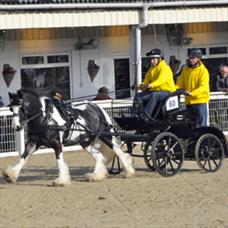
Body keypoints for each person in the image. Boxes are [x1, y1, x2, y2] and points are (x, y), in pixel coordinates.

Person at [133, 48, 176, 121]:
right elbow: (146, 81)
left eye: (153, 59)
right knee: (138, 96)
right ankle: (135, 115)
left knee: (154, 95)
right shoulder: (151, 69)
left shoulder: (165, 67)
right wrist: (139, 87)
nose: (151, 61)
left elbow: (161, 80)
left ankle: (145, 116)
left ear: (160, 59)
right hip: (156, 91)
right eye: (151, 59)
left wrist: (150, 85)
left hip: (168, 92)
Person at [176, 48, 210, 127]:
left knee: (202, 125)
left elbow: (203, 87)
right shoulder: (185, 71)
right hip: (189, 102)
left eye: (193, 58)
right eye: (190, 58)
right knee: (191, 125)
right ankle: (194, 139)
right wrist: (173, 90)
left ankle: (204, 139)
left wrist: (192, 93)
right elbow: (179, 84)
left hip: (200, 101)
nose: (191, 60)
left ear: (198, 58)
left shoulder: (203, 71)